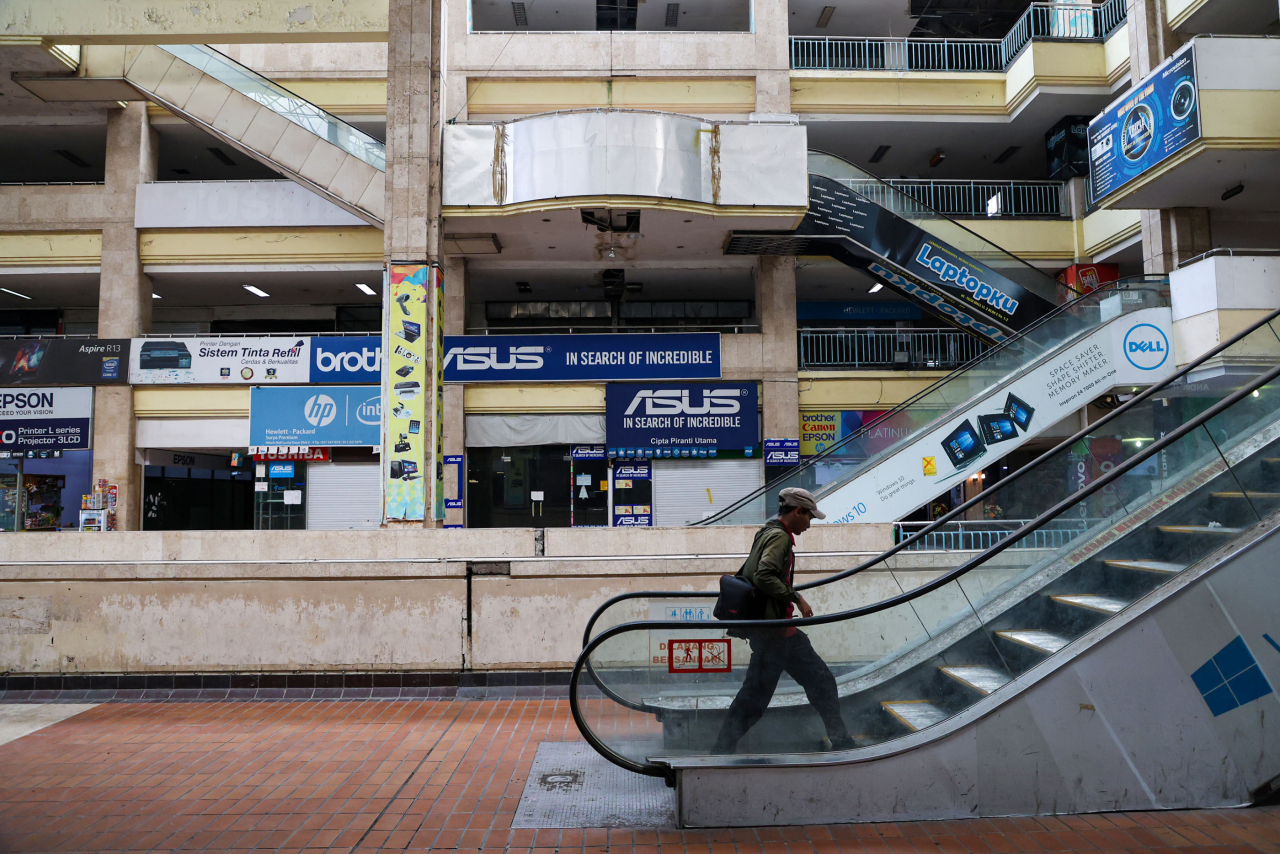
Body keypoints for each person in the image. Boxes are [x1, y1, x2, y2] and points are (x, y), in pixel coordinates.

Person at [712, 487, 856, 753]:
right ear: (798, 511)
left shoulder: (767, 531)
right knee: (753, 699)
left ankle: (842, 740)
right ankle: (721, 750)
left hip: (784, 632)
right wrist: (796, 597)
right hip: (773, 635)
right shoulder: (779, 538)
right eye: (809, 517)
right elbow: (764, 576)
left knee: (822, 682)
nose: (809, 524)